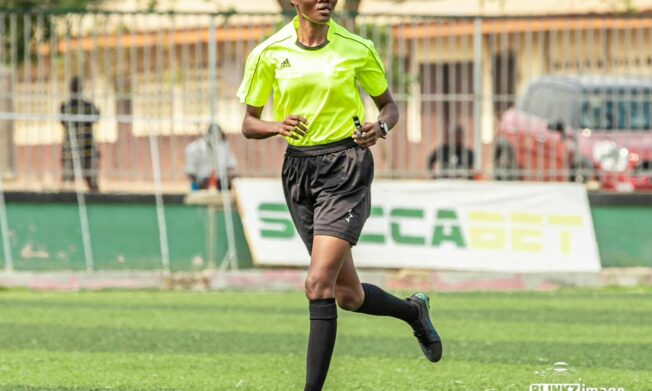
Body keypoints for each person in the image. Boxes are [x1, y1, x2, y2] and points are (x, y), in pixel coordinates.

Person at [237, 1, 442, 390]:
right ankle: (414, 311)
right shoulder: (269, 53)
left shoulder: (356, 48)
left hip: (346, 167)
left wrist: (379, 129)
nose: (325, 0)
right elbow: (248, 123)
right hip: (299, 170)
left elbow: (389, 107)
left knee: (317, 283)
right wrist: (277, 125)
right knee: (348, 295)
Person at [60, 77, 100, 192]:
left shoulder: (68, 106)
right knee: (69, 180)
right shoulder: (68, 106)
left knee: (91, 179)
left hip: (84, 146)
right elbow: (96, 118)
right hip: (73, 147)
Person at [184, 123, 237, 191]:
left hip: (220, 181)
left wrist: (224, 176)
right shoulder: (196, 148)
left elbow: (231, 164)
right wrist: (198, 181)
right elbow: (190, 171)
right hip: (202, 182)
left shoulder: (223, 146)